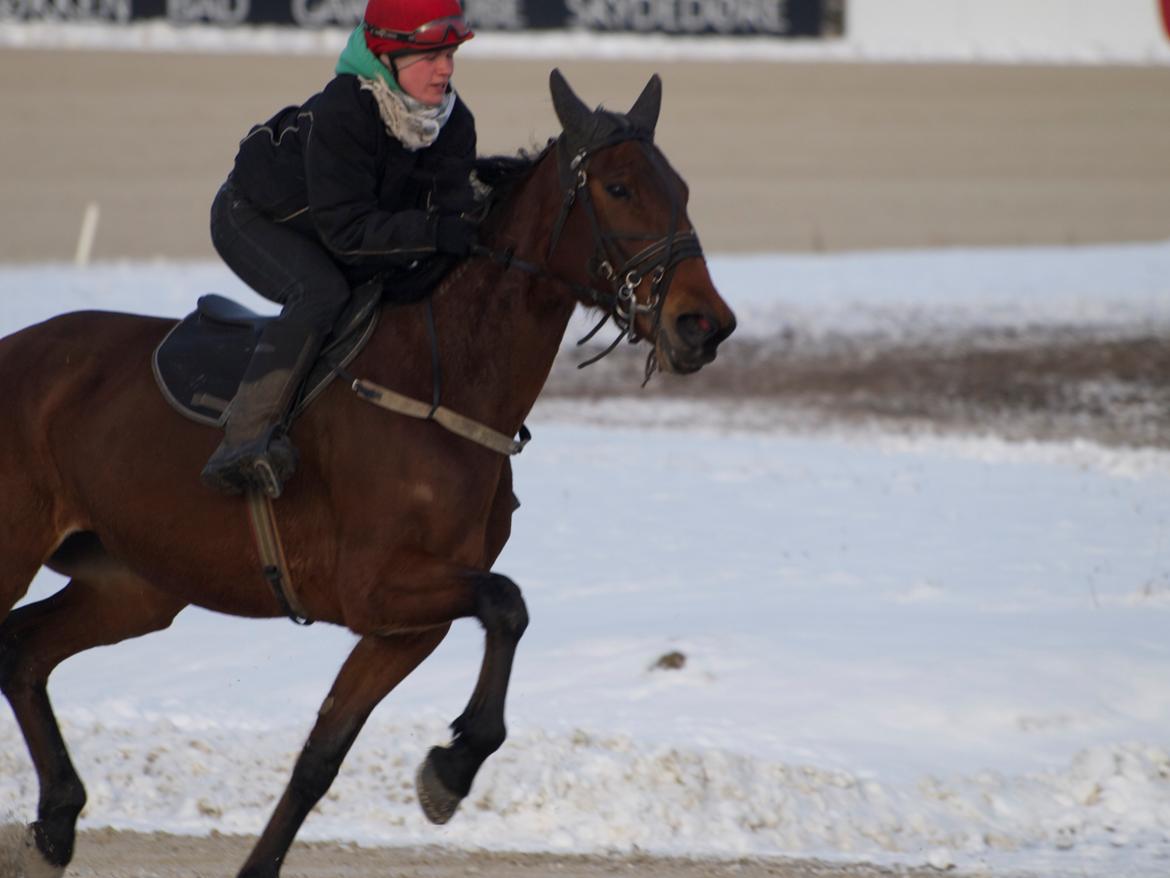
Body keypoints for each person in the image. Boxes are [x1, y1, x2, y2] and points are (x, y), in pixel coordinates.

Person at [202, 0, 479, 498]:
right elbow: (350, 236)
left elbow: (444, 221)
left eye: (451, 54)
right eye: (430, 57)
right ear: (385, 56)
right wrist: (435, 233)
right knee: (323, 292)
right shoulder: (345, 111)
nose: (446, 69)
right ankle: (244, 440)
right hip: (252, 217)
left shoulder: (454, 124)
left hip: (342, 227)